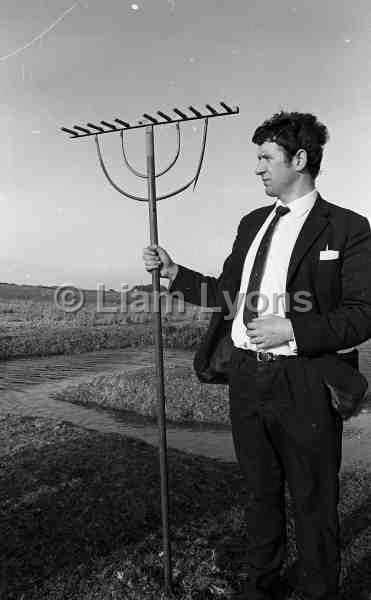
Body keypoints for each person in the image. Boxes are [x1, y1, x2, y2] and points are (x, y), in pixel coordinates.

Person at [142, 111, 371, 600]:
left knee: (312, 497)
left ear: (301, 159)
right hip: (247, 379)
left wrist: (292, 328)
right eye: (259, 158)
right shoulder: (251, 224)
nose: (258, 168)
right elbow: (228, 293)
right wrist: (174, 271)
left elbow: (362, 313)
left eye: (267, 157)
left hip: (306, 380)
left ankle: (316, 590)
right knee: (259, 492)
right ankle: (260, 587)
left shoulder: (348, 228)